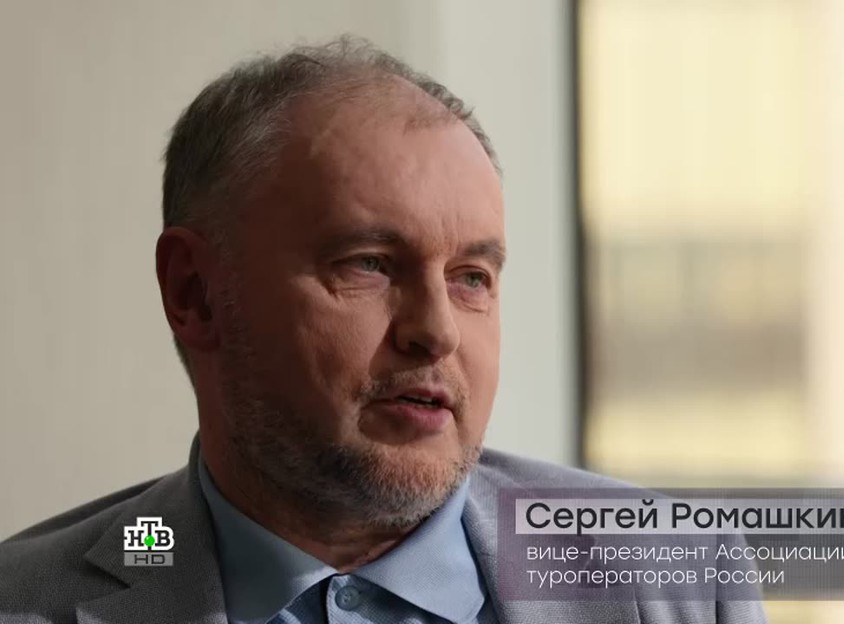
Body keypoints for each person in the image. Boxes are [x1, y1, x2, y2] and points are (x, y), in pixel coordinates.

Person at [0, 37, 766, 624]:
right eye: (368, 264)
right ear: (195, 294)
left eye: (472, 277)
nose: (437, 332)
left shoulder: (680, 580)